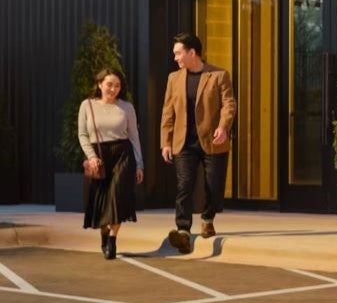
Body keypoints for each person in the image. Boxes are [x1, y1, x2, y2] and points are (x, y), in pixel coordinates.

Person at [159, 33, 236, 253]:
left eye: (178, 53)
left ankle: (207, 218)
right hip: (183, 142)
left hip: (213, 139)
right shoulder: (173, 78)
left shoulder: (219, 75)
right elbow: (167, 112)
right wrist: (165, 141)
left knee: (213, 185)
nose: (175, 58)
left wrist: (223, 127)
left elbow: (228, 104)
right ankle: (183, 229)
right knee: (184, 185)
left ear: (192, 53)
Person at [79, 68, 144, 259]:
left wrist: (139, 164)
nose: (113, 89)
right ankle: (104, 234)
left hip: (122, 155)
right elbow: (82, 134)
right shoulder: (87, 105)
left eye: (117, 85)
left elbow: (134, 137)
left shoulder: (127, 108)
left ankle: (113, 240)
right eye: (109, 84)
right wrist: (91, 157)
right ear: (99, 84)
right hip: (98, 156)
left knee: (117, 197)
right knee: (101, 202)